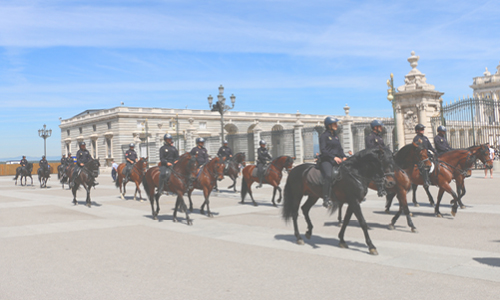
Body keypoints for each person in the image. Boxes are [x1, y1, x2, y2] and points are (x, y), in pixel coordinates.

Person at [319, 117, 347, 208]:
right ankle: (326, 198)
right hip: (326, 159)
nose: (337, 125)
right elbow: (323, 150)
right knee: (328, 175)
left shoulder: (335, 135)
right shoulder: (324, 136)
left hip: (337, 159)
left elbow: (339, 148)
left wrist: (344, 156)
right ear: (329, 125)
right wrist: (333, 157)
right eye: (335, 124)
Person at [157, 134, 179, 198]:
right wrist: (167, 163)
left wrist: (176, 161)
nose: (170, 140)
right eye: (168, 139)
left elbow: (177, 157)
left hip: (174, 164)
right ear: (165, 140)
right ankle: (160, 189)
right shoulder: (162, 148)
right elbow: (162, 158)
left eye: (170, 139)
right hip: (166, 164)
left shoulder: (174, 148)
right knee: (163, 174)